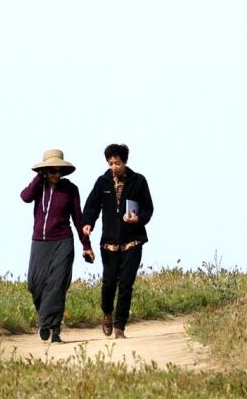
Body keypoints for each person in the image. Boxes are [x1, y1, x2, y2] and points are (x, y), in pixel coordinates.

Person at [21, 149, 93, 343]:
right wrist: (38, 177)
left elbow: (79, 218)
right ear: (45, 171)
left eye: (59, 171)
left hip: (63, 241)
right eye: (52, 171)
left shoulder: (70, 189)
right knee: (35, 285)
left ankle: (53, 328)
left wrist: (86, 245)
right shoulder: (39, 186)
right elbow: (25, 197)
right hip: (39, 242)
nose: (56, 175)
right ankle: (46, 319)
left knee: (57, 285)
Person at [82, 143, 153, 338]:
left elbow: (148, 208)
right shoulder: (102, 182)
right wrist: (88, 222)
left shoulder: (139, 181)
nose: (114, 167)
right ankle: (107, 313)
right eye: (111, 163)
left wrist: (138, 219)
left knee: (126, 285)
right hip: (109, 243)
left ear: (125, 162)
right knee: (109, 282)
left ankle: (120, 326)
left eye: (118, 163)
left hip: (133, 241)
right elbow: (91, 206)